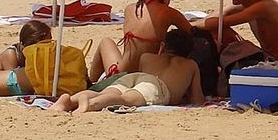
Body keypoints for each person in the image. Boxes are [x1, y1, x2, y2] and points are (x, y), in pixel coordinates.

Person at [51, 28, 204, 112]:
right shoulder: (190, 65)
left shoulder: (147, 57)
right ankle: (90, 105)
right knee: (126, 99)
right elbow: (197, 100)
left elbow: (142, 78)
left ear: (164, 46)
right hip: (156, 86)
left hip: (138, 76)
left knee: (109, 93)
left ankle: (69, 101)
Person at [88, 0, 194, 81]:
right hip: (147, 75)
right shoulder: (168, 12)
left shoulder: (129, 9)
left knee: (105, 42)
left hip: (121, 74)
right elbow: (191, 31)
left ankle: (91, 83)